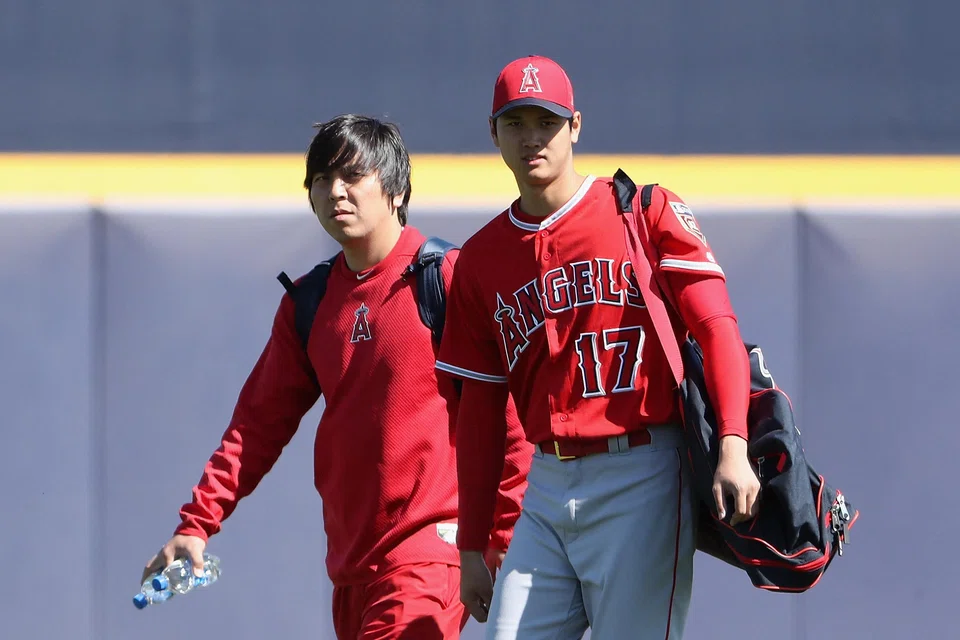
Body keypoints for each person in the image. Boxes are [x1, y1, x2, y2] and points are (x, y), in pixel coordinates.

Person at [140, 114, 533, 640]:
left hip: (427, 560)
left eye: (352, 176)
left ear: (395, 189)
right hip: (351, 572)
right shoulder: (310, 303)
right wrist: (197, 522)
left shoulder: (446, 279)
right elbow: (255, 428)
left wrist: (495, 543)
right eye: (322, 179)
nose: (335, 191)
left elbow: (513, 422)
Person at [435, 56, 761, 639]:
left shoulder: (641, 209)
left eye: (547, 121)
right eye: (516, 123)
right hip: (546, 484)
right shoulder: (481, 259)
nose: (532, 137)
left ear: (575, 126)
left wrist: (733, 444)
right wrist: (473, 544)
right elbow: (482, 413)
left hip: (642, 471)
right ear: (494, 134)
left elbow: (718, 328)